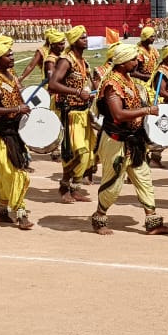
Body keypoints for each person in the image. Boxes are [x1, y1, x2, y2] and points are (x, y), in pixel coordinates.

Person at [88, 43, 168, 236]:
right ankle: (99, 217)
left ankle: (152, 221)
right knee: (113, 183)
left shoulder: (127, 79)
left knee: (144, 179)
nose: (137, 62)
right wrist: (147, 110)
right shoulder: (112, 84)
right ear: (122, 62)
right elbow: (118, 115)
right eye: (134, 59)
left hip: (134, 142)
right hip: (115, 142)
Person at [0, 42, 34, 230]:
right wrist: (16, 108)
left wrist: (25, 110)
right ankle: (20, 211)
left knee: (7, 175)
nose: (12, 58)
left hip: (15, 131)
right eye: (8, 55)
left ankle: (3, 211)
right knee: (14, 174)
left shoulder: (10, 76)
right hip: (1, 133)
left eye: (12, 55)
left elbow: (18, 98)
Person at [48, 26, 95, 203]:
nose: (86, 40)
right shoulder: (66, 61)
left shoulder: (84, 61)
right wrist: (76, 92)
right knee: (76, 152)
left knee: (88, 154)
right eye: (83, 38)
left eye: (86, 37)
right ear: (75, 41)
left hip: (83, 112)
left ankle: (74, 188)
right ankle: (64, 186)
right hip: (70, 113)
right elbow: (53, 85)